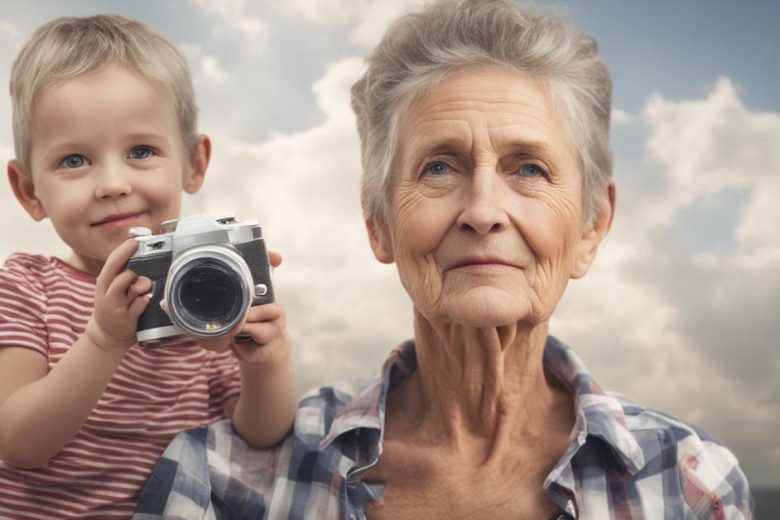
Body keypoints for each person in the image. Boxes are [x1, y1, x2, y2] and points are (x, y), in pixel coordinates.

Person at [135, 0, 755, 518]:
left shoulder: (691, 485)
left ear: (592, 226)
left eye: (529, 168)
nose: (482, 210)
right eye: (439, 166)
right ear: (378, 223)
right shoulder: (225, 479)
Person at [0, 15, 297, 517]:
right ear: (30, 192)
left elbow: (260, 437)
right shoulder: (29, 286)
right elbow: (19, 442)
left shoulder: (209, 291)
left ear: (193, 164)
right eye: (74, 160)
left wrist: (269, 364)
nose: (113, 183)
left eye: (141, 150)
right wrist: (104, 339)